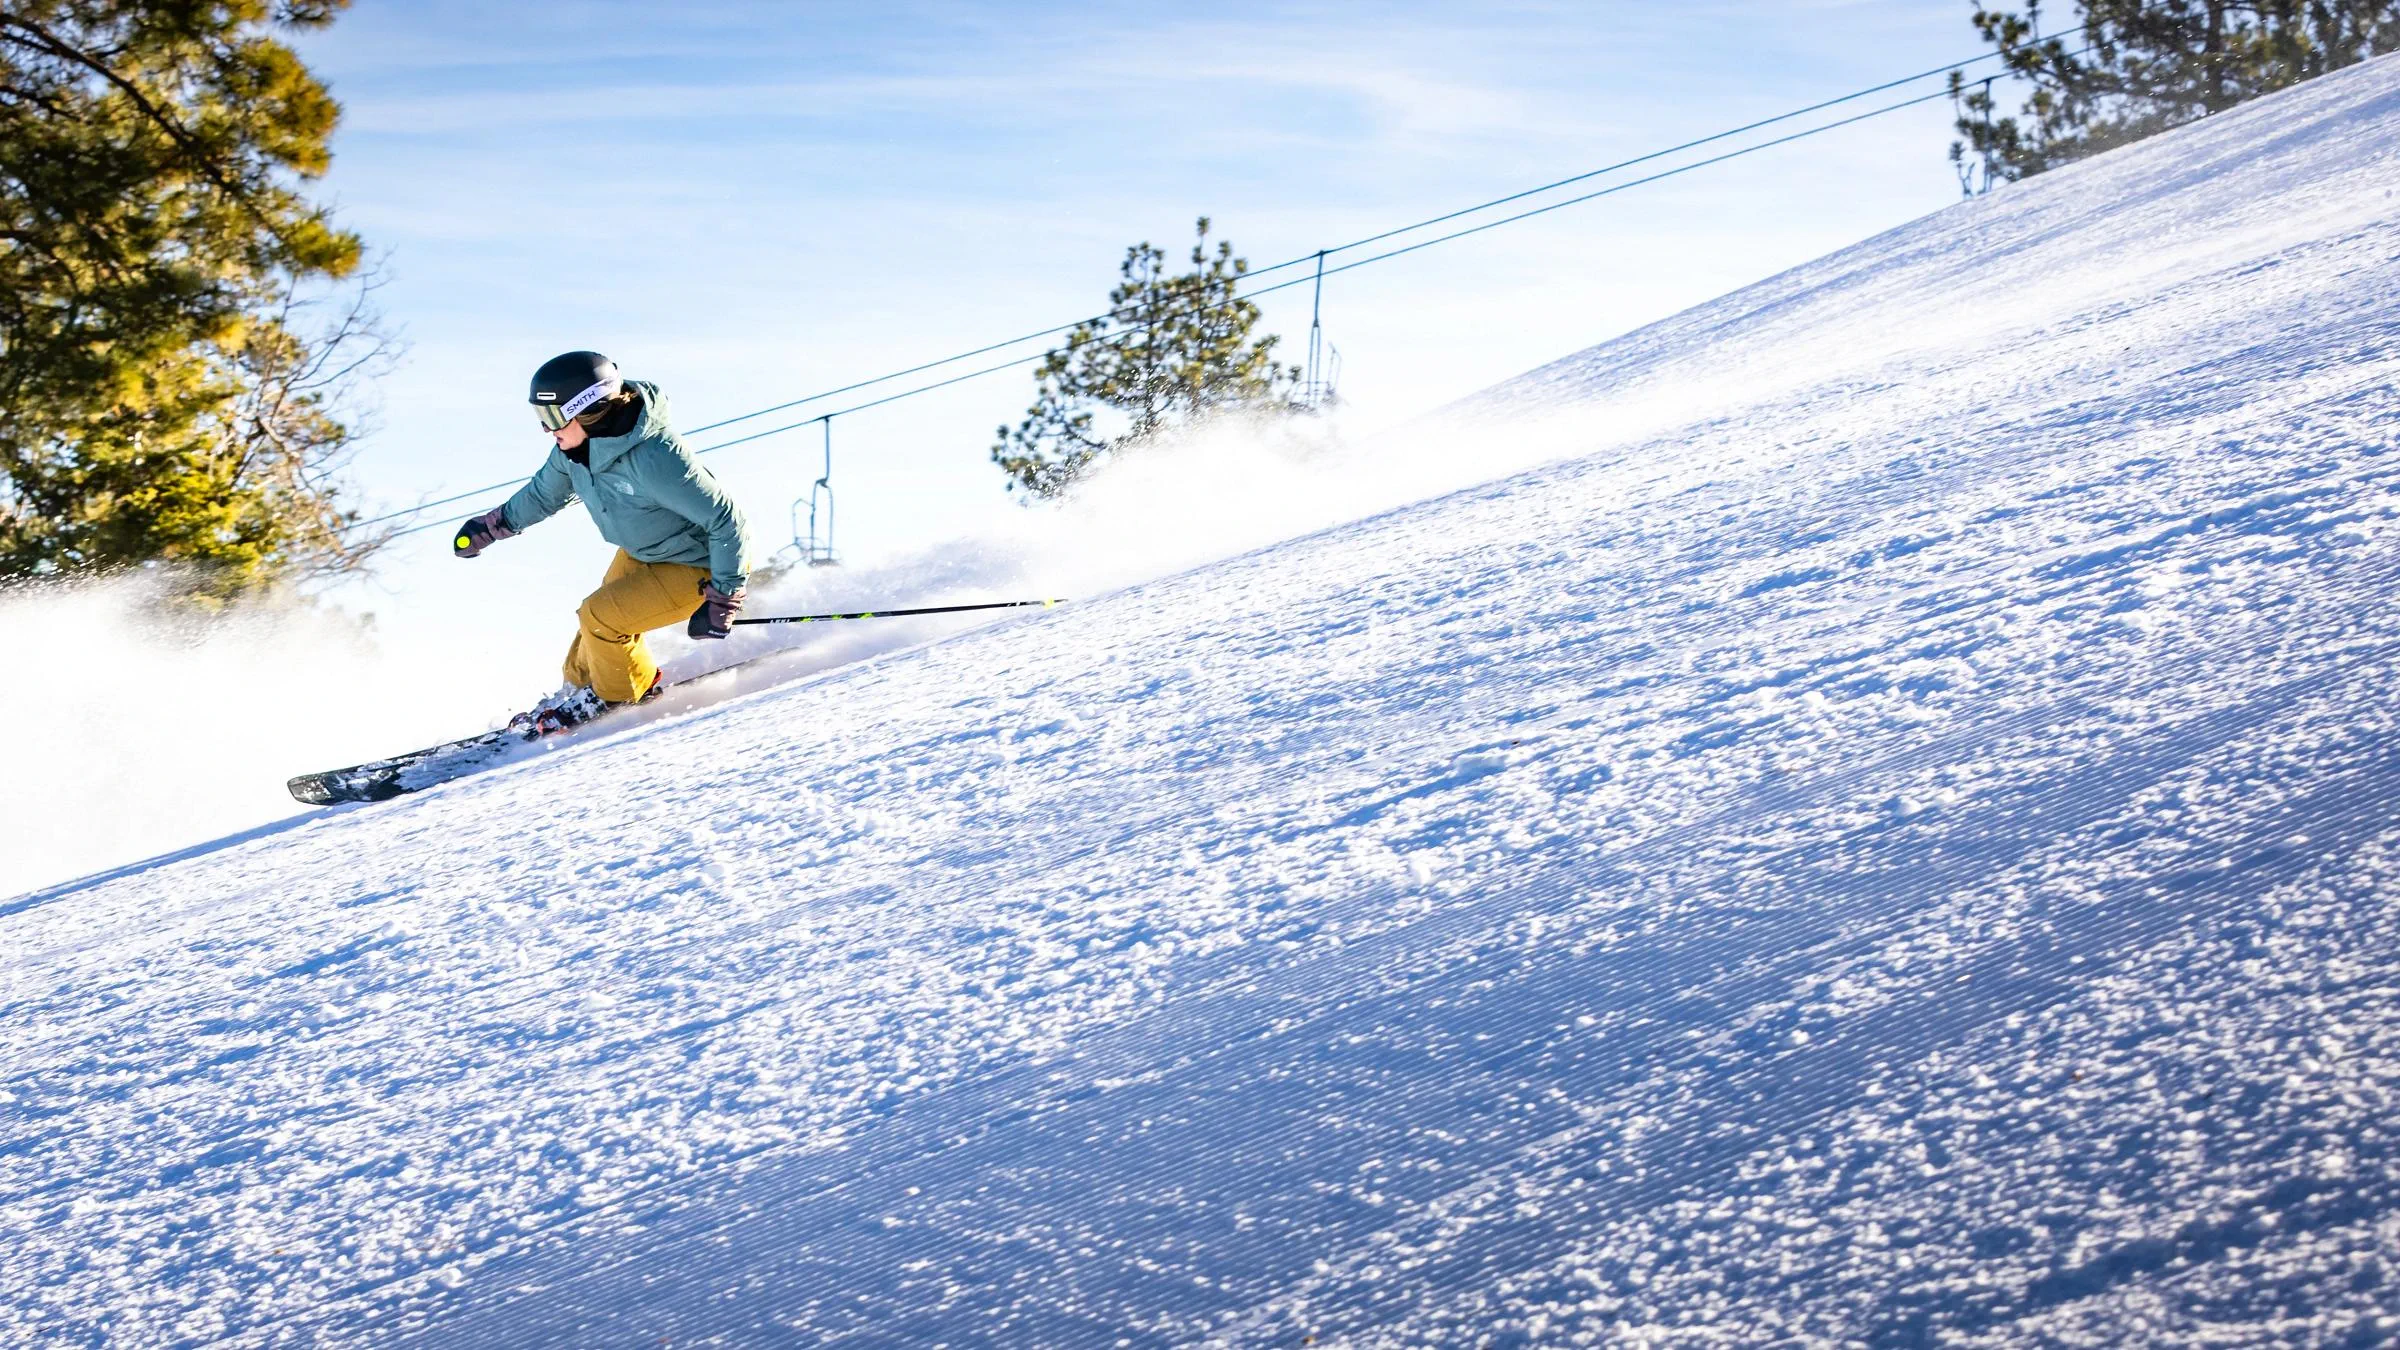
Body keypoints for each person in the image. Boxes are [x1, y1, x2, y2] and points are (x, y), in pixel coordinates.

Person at [453, 351, 755, 731]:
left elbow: (728, 521)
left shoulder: (655, 456)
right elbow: (543, 495)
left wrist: (724, 597)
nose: (547, 430)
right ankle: (580, 692)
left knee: (601, 618)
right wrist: (492, 527)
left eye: (552, 418)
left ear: (589, 409)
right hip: (645, 553)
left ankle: (618, 699)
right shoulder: (574, 452)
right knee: (588, 639)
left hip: (699, 564)